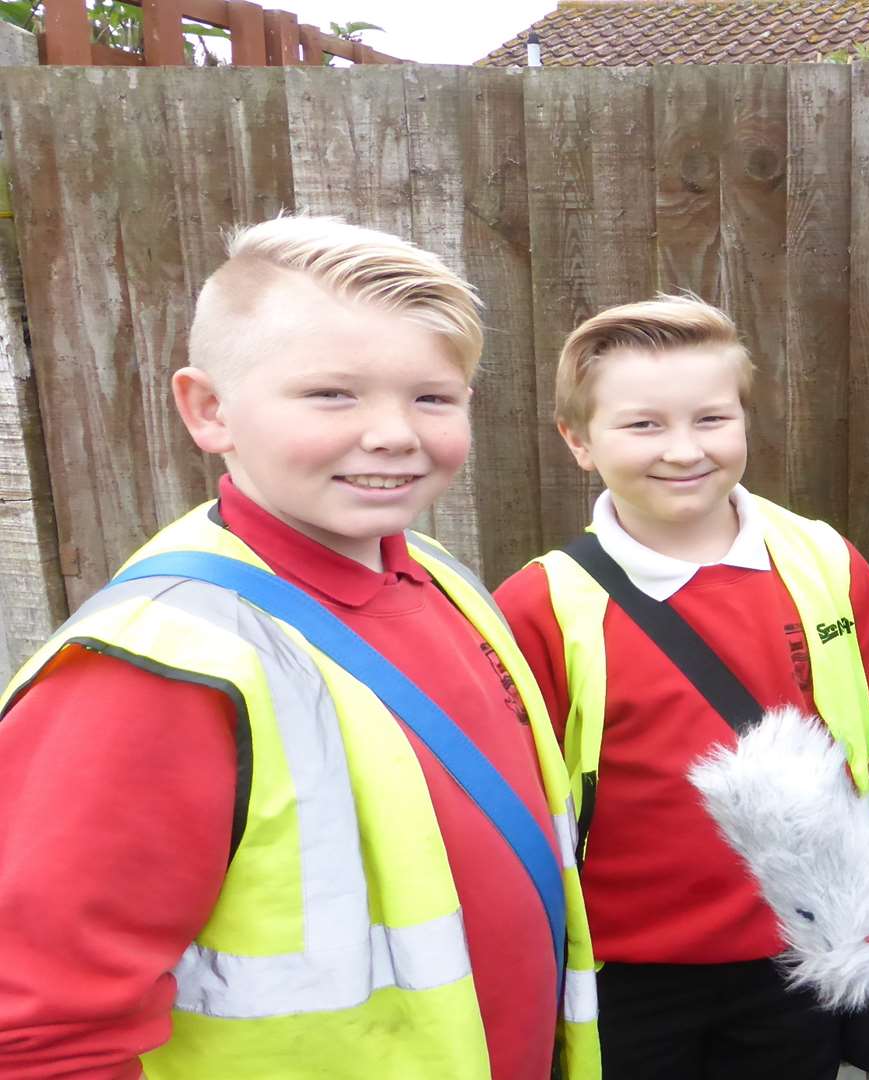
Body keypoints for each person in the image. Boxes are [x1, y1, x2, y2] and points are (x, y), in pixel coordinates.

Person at [0, 216, 598, 1078]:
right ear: (210, 411)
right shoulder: (154, 672)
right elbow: (40, 1033)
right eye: (332, 395)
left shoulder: (436, 574)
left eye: (433, 397)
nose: (395, 432)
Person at [494, 294, 869, 1079]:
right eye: (643, 424)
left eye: (711, 419)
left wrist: (846, 899)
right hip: (620, 969)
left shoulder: (824, 563)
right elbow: (516, 795)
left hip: (798, 955)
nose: (683, 450)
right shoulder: (540, 605)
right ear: (578, 441)